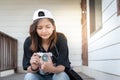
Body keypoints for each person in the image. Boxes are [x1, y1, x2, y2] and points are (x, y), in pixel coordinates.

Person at [22, 9, 71, 80]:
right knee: (29, 76)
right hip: (38, 76)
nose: (44, 31)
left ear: (53, 27)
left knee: (61, 76)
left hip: (57, 74)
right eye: (40, 28)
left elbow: (62, 66)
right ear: (35, 29)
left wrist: (51, 69)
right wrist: (33, 67)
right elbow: (28, 69)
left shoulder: (60, 38)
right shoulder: (29, 41)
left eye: (48, 27)